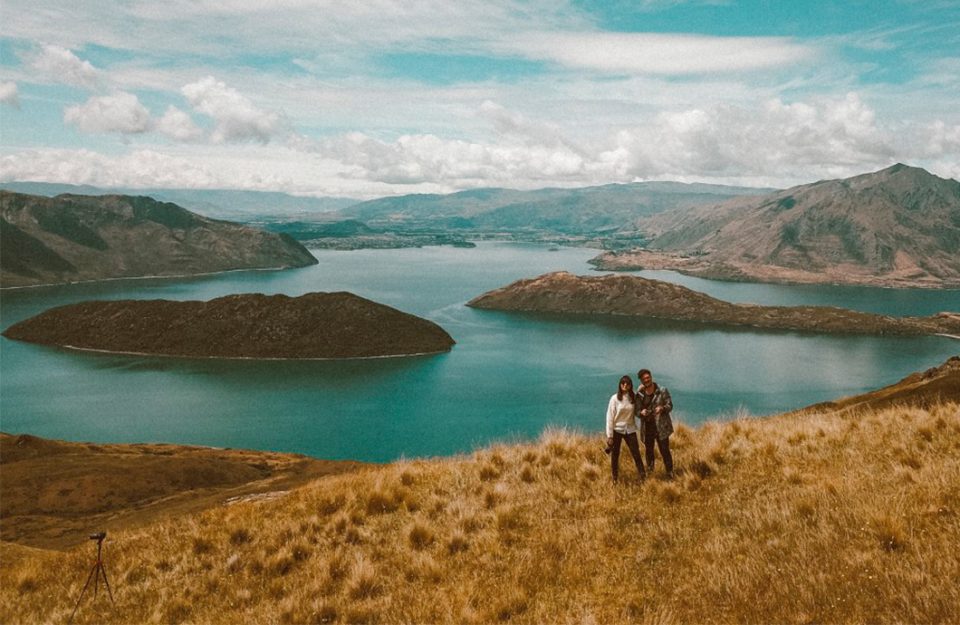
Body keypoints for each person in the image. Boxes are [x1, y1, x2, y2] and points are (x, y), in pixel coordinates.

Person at [605, 375, 646, 483]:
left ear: (630, 385)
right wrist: (609, 436)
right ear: (620, 384)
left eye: (627, 384)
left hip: (630, 429)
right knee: (615, 455)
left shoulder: (633, 397)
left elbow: (640, 401)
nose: (625, 385)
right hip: (617, 430)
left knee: (636, 453)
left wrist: (641, 389)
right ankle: (615, 478)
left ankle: (643, 477)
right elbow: (609, 417)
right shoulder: (614, 399)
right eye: (623, 383)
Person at [636, 368, 674, 478]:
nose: (647, 380)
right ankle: (651, 472)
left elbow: (670, 405)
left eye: (648, 377)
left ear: (651, 377)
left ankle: (669, 473)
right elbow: (636, 411)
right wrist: (641, 412)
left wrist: (662, 408)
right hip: (647, 427)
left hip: (661, 427)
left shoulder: (662, 390)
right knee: (649, 451)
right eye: (644, 379)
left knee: (665, 450)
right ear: (641, 381)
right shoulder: (640, 394)